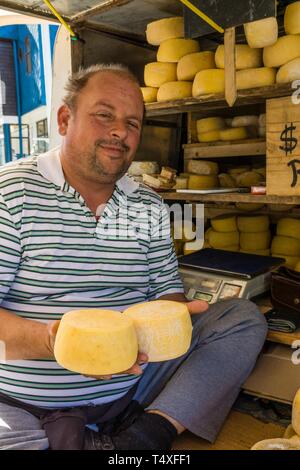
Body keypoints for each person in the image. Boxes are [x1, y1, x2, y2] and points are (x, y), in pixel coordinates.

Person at [0, 63, 267, 450]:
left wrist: (176, 314)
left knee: (240, 318)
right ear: (64, 118)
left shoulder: (149, 206)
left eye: (133, 123)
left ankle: (146, 434)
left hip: (130, 387)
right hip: (22, 403)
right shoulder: (11, 194)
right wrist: (54, 339)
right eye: (104, 115)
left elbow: (166, 295)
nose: (119, 133)